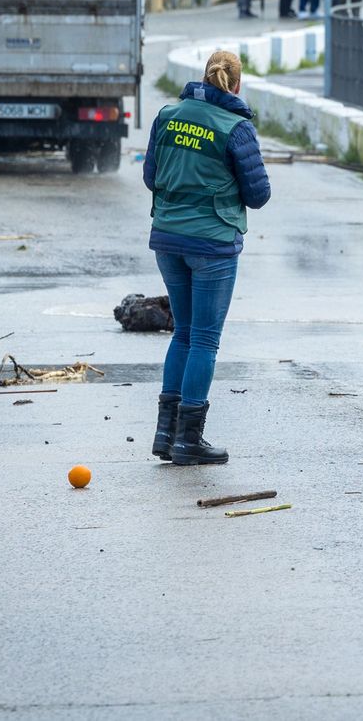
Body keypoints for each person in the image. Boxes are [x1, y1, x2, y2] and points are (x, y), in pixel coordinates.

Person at [144, 50, 271, 466]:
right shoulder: (236, 128)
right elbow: (259, 195)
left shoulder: (167, 115)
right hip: (212, 244)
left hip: (167, 238)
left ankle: (165, 434)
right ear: (236, 85)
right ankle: (189, 441)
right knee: (203, 338)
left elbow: (151, 176)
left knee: (182, 332)